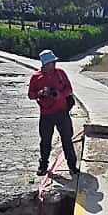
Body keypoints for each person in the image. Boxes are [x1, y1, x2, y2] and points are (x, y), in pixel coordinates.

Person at [29, 49, 78, 178]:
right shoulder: (36, 77)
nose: (54, 65)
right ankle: (43, 166)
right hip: (46, 114)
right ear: (45, 64)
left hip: (62, 113)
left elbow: (69, 89)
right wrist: (40, 93)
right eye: (51, 63)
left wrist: (60, 94)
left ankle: (72, 166)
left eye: (54, 62)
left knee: (67, 140)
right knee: (45, 141)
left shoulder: (60, 73)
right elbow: (30, 94)